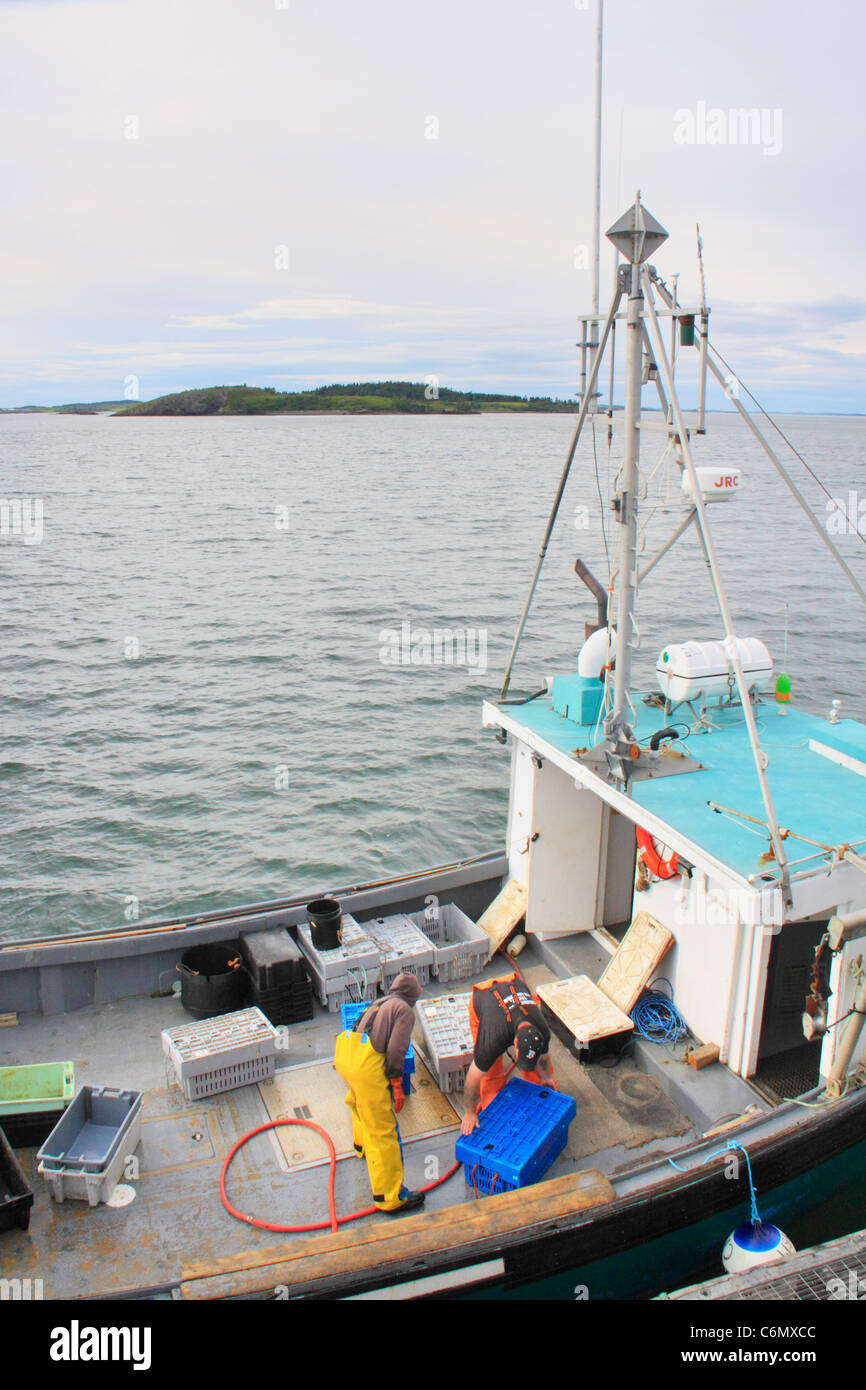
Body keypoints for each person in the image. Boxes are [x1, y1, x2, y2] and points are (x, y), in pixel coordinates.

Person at [333, 972, 426, 1214]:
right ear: (412, 995)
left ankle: (360, 1147)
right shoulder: (405, 1010)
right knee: (384, 1131)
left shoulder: (380, 1002)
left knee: (358, 1104)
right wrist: (397, 1086)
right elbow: (396, 1051)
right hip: (365, 1067)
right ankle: (389, 1197)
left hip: (345, 1055)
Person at [460, 972, 555, 1135]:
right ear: (515, 1044)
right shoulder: (492, 1039)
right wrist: (469, 1113)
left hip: (512, 983)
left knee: (538, 1075)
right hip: (484, 995)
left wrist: (546, 1078)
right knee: (490, 1073)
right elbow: (472, 1079)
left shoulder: (543, 1031)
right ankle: (492, 1101)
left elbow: (543, 1058)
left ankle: (538, 1094)